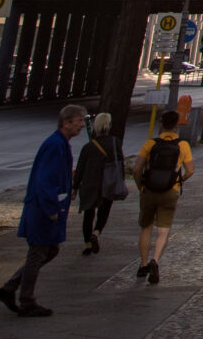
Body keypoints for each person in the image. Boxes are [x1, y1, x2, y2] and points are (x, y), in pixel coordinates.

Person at [0, 102, 84, 317]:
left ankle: (10, 288)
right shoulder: (56, 145)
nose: (82, 125)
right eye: (79, 121)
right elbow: (45, 180)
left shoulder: (60, 143)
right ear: (66, 122)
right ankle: (26, 301)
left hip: (48, 206)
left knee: (49, 250)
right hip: (43, 209)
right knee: (38, 253)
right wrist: (51, 208)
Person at [133, 106, 193, 285]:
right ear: (176, 125)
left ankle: (143, 264)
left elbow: (136, 169)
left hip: (149, 190)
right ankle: (156, 260)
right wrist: (178, 180)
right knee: (163, 230)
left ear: (161, 125)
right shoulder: (182, 145)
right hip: (170, 191)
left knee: (146, 227)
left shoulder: (150, 144)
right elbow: (190, 170)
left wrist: (141, 185)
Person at [73, 111, 121, 255]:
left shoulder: (89, 147)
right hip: (108, 183)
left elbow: (80, 168)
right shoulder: (115, 143)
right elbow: (120, 163)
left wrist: (74, 187)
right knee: (104, 212)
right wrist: (120, 181)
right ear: (109, 126)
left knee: (89, 213)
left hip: (90, 184)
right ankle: (96, 232)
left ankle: (88, 244)